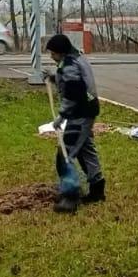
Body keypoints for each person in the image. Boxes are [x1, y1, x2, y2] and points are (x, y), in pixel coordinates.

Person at [46, 33, 105, 214]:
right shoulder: (75, 59)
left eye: (52, 53)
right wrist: (55, 77)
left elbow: (73, 94)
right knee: (85, 150)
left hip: (80, 114)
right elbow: (74, 80)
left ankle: (70, 197)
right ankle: (97, 190)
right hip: (87, 110)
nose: (51, 56)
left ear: (61, 52)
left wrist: (61, 116)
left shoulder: (70, 65)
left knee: (65, 154)